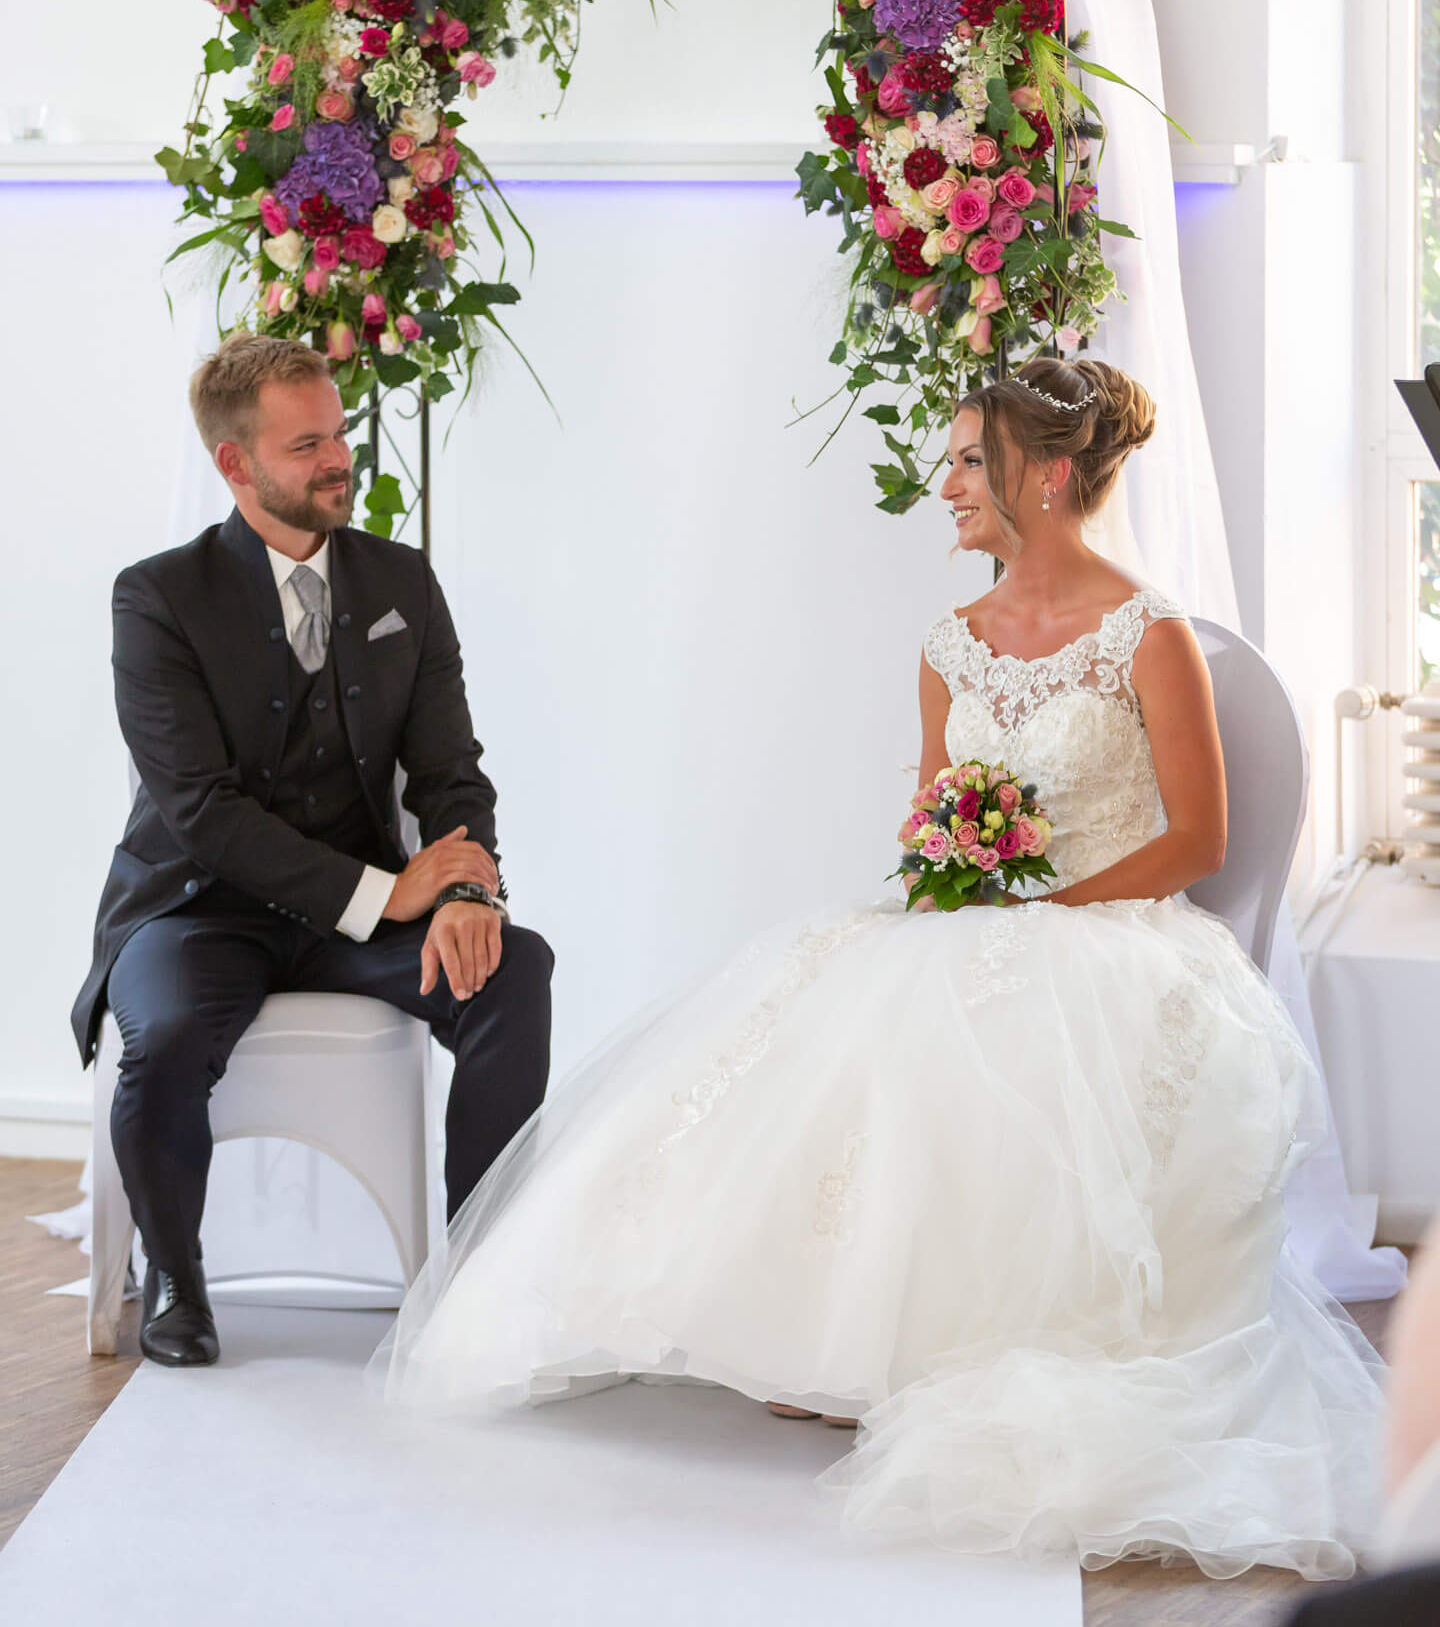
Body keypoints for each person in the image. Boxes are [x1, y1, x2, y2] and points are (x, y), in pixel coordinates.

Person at [372, 356, 1383, 1578]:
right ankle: (818, 1342)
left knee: (995, 1044)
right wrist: (953, 870)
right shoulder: (949, 641)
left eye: (970, 462)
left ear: (1048, 478)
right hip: (969, 913)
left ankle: (934, 1352)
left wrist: (1044, 898)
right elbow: (928, 812)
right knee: (823, 1024)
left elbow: (1196, 841)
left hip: (1116, 932)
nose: (944, 484)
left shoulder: (1148, 633)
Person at [73, 334, 553, 1367]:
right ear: (235, 466)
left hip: (356, 920)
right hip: (195, 907)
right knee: (158, 1040)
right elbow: (201, 811)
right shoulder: (156, 599)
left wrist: (468, 884)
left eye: (340, 432)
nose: (341, 458)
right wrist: (387, 893)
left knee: (514, 968)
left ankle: (475, 1277)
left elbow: (450, 772)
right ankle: (175, 1277)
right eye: (308, 446)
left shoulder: (402, 583)